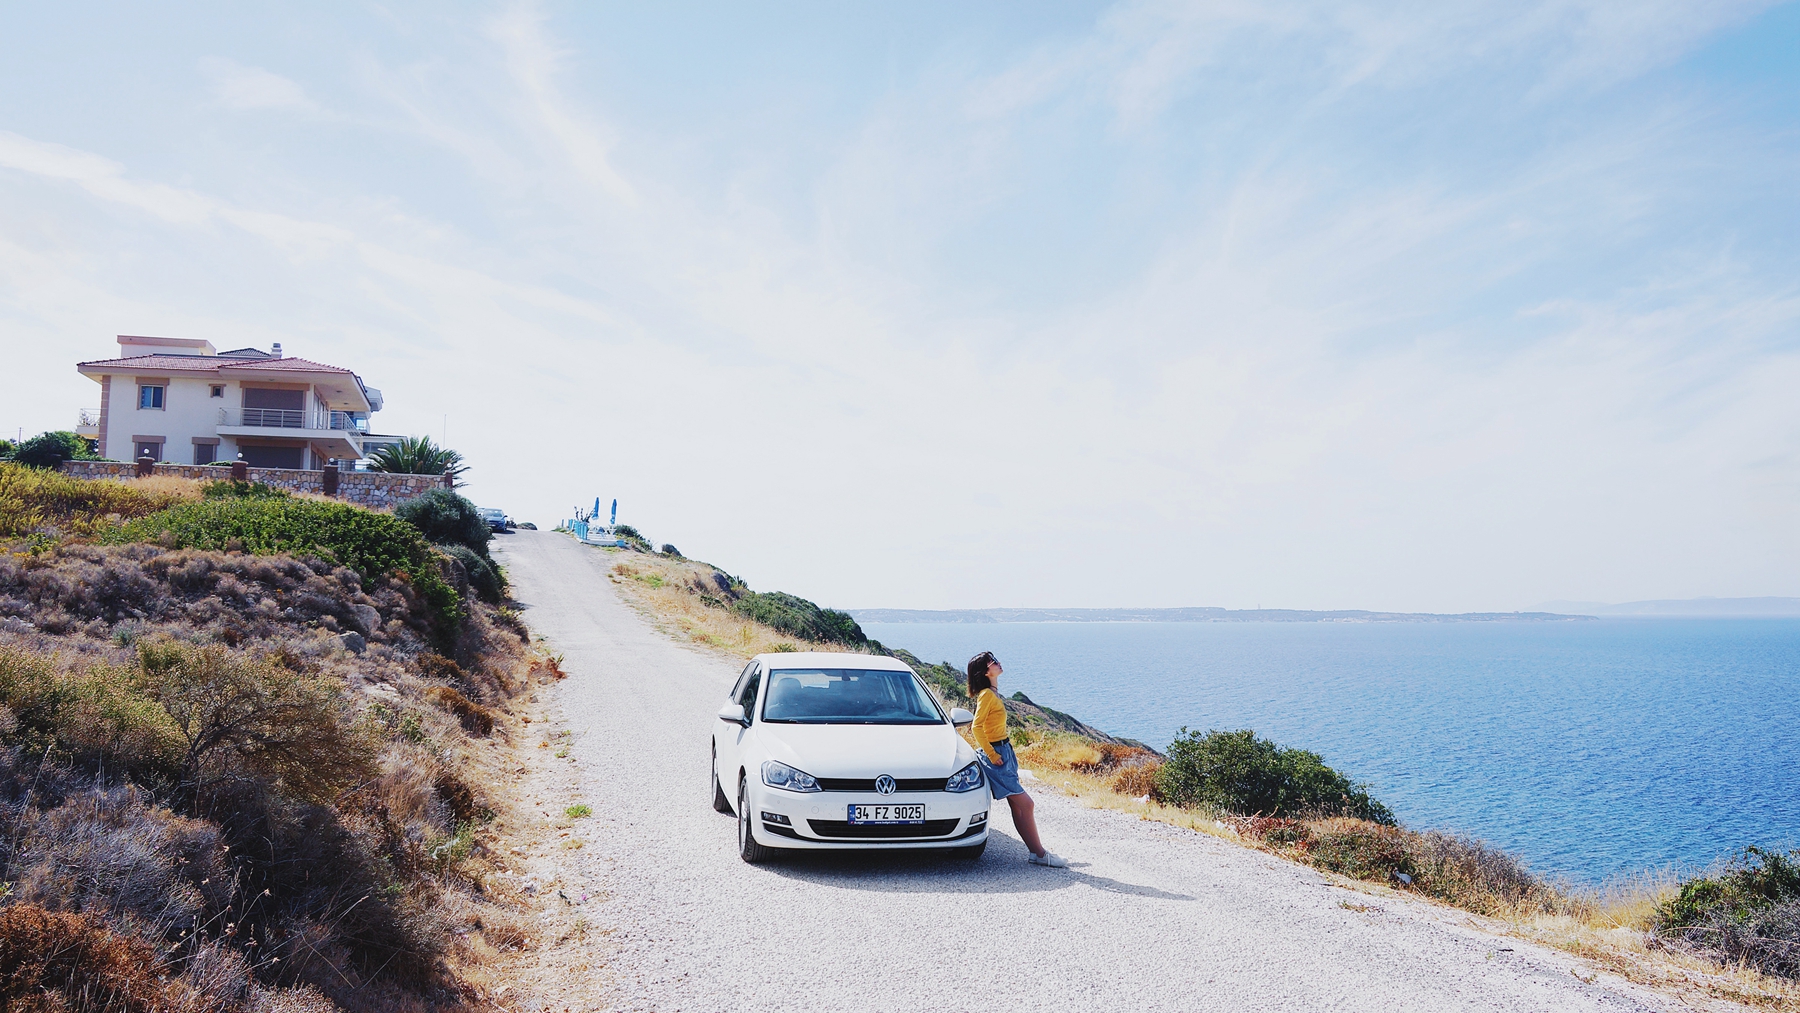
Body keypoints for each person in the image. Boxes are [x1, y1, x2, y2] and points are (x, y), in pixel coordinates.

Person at [967, 651, 1067, 867]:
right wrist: (992, 755)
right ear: (985, 672)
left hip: (1005, 752)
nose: (998, 663)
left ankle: (1035, 854)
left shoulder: (993, 693)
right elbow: (976, 727)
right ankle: (1041, 853)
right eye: (993, 662)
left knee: (1018, 807)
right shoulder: (986, 695)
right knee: (1026, 804)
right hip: (997, 755)